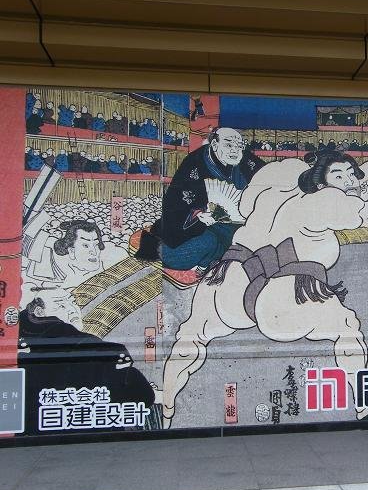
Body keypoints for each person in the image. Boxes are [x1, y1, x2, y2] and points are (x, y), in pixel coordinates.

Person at [160, 150, 368, 428]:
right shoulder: (326, 198)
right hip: (281, 289)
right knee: (347, 326)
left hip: (230, 278)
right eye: (338, 175)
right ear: (319, 181)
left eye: (351, 174)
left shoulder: (273, 186)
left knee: (191, 337)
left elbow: (247, 207)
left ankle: (167, 408)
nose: (348, 180)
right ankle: (362, 402)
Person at [17, 288, 157, 434]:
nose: (72, 309)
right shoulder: (91, 347)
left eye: (72, 302)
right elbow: (143, 395)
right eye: (61, 305)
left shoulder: (22, 344)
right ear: (39, 312)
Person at [135, 127, 265, 271]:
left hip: (235, 223)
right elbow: (178, 203)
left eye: (239, 146)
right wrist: (200, 214)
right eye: (228, 145)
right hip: (198, 226)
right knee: (201, 245)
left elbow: (268, 175)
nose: (235, 150)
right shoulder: (194, 164)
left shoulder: (245, 159)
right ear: (214, 144)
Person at [22, 218, 127, 289]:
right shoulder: (52, 267)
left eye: (96, 245)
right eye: (85, 245)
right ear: (71, 251)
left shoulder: (112, 260)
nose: (94, 252)